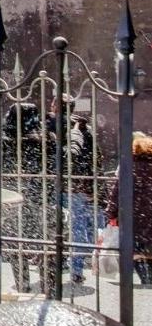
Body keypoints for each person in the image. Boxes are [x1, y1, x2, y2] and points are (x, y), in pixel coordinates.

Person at [2, 102, 57, 293]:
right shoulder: (48, 139)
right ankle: (49, 290)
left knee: (18, 248)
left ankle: (22, 288)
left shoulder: (5, 140)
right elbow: (55, 168)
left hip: (15, 200)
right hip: (43, 200)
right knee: (46, 248)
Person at [106, 132, 152, 285]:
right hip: (150, 216)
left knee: (135, 248)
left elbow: (116, 192)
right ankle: (150, 276)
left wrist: (111, 213)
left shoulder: (128, 167)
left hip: (132, 216)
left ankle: (145, 277)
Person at [64, 111, 101, 284]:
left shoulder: (71, 134)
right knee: (79, 228)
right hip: (83, 188)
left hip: (68, 188)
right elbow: (97, 162)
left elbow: (69, 157)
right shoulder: (91, 138)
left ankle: (71, 265)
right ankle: (76, 267)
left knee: (71, 227)